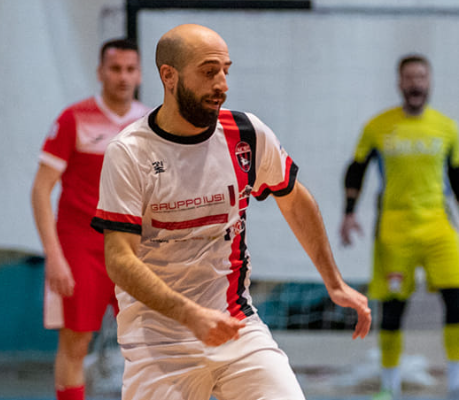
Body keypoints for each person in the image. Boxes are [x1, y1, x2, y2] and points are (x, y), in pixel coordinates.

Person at [90, 24, 371, 400]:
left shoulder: (246, 134)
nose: (221, 84)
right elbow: (119, 259)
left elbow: (293, 198)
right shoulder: (129, 152)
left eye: (225, 70)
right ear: (169, 76)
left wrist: (333, 281)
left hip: (236, 326)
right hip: (159, 339)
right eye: (209, 72)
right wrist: (191, 315)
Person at [31, 38, 150, 400]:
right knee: (76, 342)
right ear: (100, 72)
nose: (123, 77)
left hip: (133, 248)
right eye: (115, 69)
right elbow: (40, 190)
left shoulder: (151, 124)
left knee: (148, 345)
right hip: (80, 247)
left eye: (130, 69)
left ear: (140, 74)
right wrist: (54, 256)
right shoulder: (73, 119)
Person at [340, 54, 459, 400]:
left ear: (429, 82)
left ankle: (455, 382)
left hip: (438, 227)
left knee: (456, 301)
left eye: (421, 76)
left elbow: (456, 176)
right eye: (409, 77)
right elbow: (356, 169)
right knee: (393, 308)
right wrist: (349, 213)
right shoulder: (378, 127)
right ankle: (388, 386)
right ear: (400, 83)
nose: (415, 83)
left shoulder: (446, 128)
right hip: (394, 230)